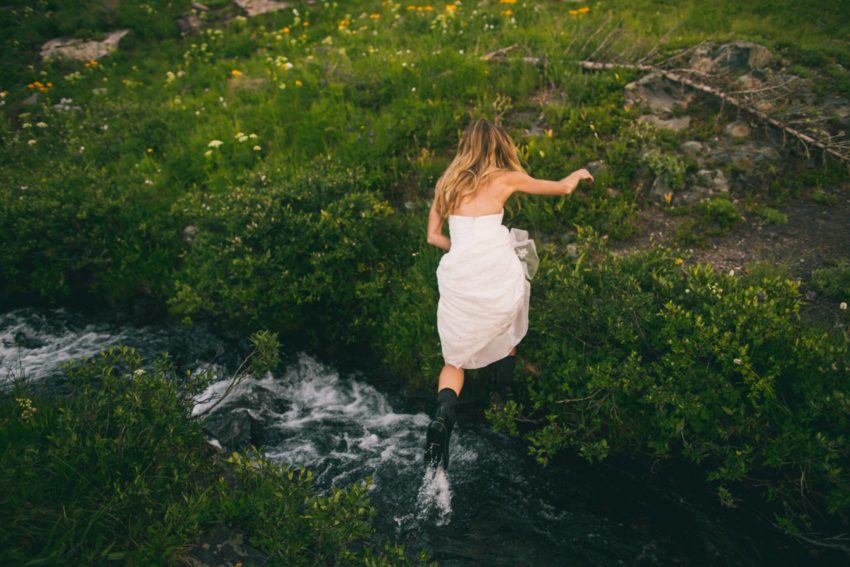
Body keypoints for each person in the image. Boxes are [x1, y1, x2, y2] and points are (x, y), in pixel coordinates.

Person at [423, 118, 594, 470]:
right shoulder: (504, 178)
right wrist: (576, 175)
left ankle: (442, 416)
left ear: (466, 146)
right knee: (509, 319)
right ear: (498, 146)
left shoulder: (446, 184)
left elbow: (433, 237)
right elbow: (560, 189)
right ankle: (503, 397)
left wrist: (463, 250)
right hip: (494, 270)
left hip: (458, 273)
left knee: (454, 360)